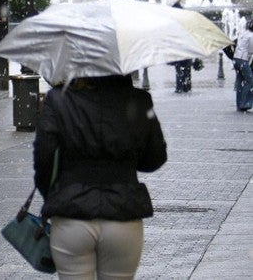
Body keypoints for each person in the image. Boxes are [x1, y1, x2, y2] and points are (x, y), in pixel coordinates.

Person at [33, 74, 167, 279]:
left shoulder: (58, 100)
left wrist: (55, 194)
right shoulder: (139, 100)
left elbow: (44, 158)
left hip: (72, 215)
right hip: (123, 214)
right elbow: (155, 158)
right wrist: (125, 160)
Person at [233, 20, 253, 111]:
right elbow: (251, 50)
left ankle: (239, 103)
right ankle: (244, 103)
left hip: (237, 59)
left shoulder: (244, 33)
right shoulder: (251, 36)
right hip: (243, 60)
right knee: (249, 80)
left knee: (240, 81)